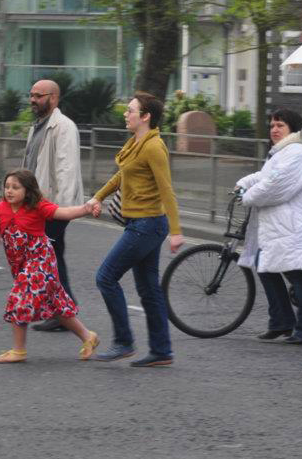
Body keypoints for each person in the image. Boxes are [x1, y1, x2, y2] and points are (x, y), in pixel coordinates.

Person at [87, 91, 183, 367]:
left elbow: (167, 190)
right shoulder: (137, 143)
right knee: (149, 289)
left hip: (147, 225)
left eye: (130, 110)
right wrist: (98, 197)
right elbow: (123, 174)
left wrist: (176, 231)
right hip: (142, 224)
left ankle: (124, 342)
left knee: (105, 277)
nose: (125, 114)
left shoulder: (154, 147)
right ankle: (162, 351)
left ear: (145, 116)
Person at [0, 169, 98, 363]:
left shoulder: (37, 206)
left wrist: (86, 208)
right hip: (21, 264)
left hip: (41, 259)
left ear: (28, 191)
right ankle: (88, 337)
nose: (9, 191)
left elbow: (63, 212)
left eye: (15, 187)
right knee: (55, 304)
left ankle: (18, 350)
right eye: (7, 187)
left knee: (19, 296)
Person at [236, 108, 302, 345]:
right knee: (264, 266)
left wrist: (247, 196)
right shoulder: (282, 152)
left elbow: (275, 187)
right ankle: (281, 322)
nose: (274, 129)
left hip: (297, 228)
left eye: (280, 125)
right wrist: (243, 184)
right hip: (283, 227)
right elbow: (265, 176)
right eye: (272, 125)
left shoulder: (297, 152)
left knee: (299, 277)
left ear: (293, 129)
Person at [23, 79, 84, 333]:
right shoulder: (37, 126)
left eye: (39, 95)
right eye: (32, 94)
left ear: (54, 98)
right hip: (39, 206)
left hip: (54, 207)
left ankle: (64, 313)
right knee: (52, 257)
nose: (33, 99)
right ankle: (62, 312)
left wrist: (62, 210)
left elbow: (66, 170)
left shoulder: (63, 127)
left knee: (46, 257)